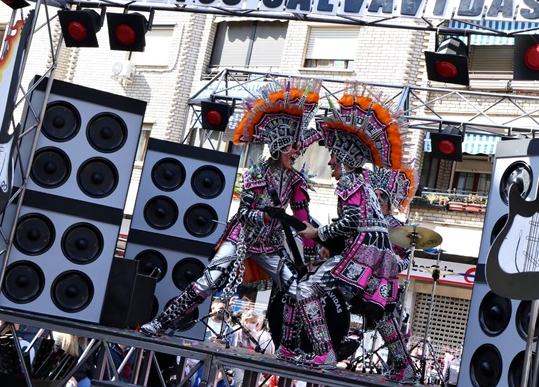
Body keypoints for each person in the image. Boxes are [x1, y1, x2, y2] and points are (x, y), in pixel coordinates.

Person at [140, 78, 321, 338]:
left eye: (299, 148)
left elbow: (303, 222)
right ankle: (160, 323)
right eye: (293, 147)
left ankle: (303, 348)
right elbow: (245, 213)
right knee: (210, 280)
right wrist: (265, 214)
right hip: (243, 237)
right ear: (279, 146)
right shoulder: (257, 173)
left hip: (270, 243)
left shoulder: (295, 181)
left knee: (298, 289)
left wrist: (312, 258)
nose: (298, 152)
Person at [293, 83, 417, 383]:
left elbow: (350, 221)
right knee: (379, 312)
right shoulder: (366, 183)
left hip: (363, 253)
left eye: (333, 160)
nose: (331, 165)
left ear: (345, 160)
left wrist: (318, 232)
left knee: (306, 290)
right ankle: (404, 368)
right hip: (381, 254)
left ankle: (324, 352)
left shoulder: (349, 182)